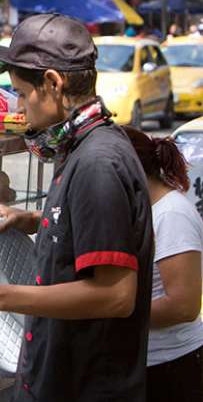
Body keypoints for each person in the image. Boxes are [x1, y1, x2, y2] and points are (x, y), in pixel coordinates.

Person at [0, 14, 154, 400]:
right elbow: (91, 229)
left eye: (21, 93)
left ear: (52, 83)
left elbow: (115, 295)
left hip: (86, 388)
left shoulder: (98, 162)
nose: (19, 105)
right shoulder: (81, 146)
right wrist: (37, 220)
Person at [123, 127, 203, 402]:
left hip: (172, 367)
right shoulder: (140, 209)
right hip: (144, 365)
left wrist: (107, 312)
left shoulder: (172, 214)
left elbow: (183, 307)